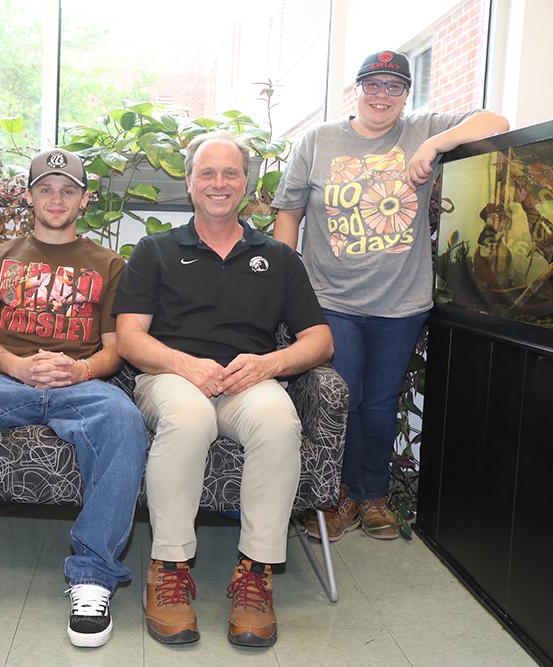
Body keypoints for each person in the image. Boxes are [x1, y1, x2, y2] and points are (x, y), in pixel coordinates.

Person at [0, 149, 149, 649]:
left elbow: (116, 350)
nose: (56, 198)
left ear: (83, 200)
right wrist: (15, 365)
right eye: (45, 188)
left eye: (67, 190)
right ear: (29, 197)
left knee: (125, 422)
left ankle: (93, 576)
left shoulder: (110, 264)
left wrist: (78, 369)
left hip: (80, 385)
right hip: (4, 381)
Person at [272, 50, 509, 542]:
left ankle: (373, 494)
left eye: (394, 87)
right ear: (355, 90)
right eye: (372, 85)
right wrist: (283, 278)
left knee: (380, 402)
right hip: (331, 298)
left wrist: (435, 146)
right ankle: (339, 494)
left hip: (400, 301)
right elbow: (289, 212)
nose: (382, 95)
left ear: (406, 95)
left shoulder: (422, 128)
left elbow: (498, 119)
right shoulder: (318, 140)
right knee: (344, 397)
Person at [114, 131, 334, 648]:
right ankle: (167, 570)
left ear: (246, 183)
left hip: (245, 381)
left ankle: (254, 575)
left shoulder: (279, 257)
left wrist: (269, 365)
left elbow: (320, 341)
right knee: (190, 419)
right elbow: (128, 337)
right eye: (207, 173)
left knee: (280, 423)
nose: (218, 183)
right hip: (169, 378)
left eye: (230, 173)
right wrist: (184, 365)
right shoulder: (154, 251)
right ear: (189, 182)